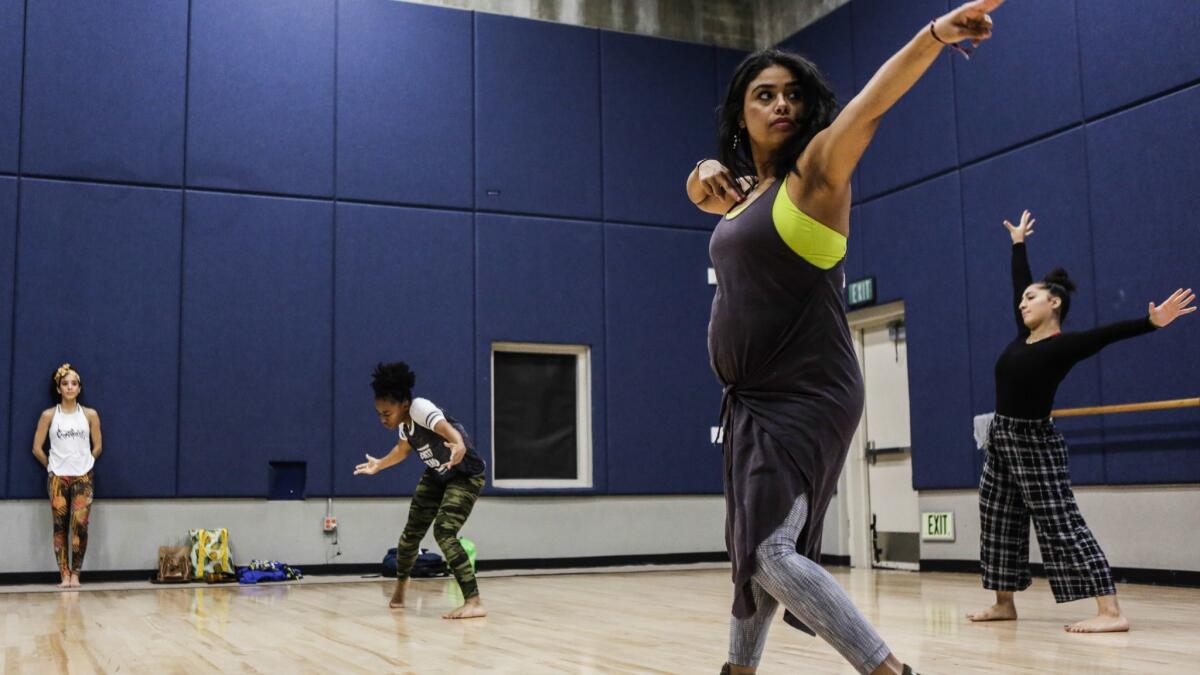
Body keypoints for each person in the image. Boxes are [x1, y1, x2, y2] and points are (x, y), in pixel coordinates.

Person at [689, 2, 1004, 673]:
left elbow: (873, 102)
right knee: (749, 545)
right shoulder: (748, 192)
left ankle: (888, 670)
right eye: (763, 95)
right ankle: (738, 668)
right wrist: (697, 172)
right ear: (740, 113)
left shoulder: (818, 171)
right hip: (751, 399)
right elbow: (703, 194)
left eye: (792, 95)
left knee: (771, 550)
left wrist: (935, 35)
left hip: (807, 391)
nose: (780, 104)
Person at [967, 209, 1195, 633]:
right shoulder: (1022, 338)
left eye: (1031, 299)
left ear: (1054, 303)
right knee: (997, 516)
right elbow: (1020, 281)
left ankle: (1111, 612)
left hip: (1034, 443)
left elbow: (1107, 334)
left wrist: (1151, 322)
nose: (1022, 302)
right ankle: (1004, 603)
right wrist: (1018, 244)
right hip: (1000, 437)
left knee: (1060, 521)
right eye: (1022, 300)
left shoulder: (1062, 346)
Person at [353, 361, 488, 619]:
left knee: (444, 531)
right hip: (438, 474)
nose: (382, 419)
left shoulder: (420, 408)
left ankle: (474, 601)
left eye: (386, 413)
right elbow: (402, 451)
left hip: (465, 476)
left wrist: (459, 445)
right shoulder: (405, 425)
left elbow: (447, 430)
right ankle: (401, 590)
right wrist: (379, 464)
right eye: (379, 414)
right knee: (409, 537)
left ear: (403, 404)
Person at [31, 363, 103, 589]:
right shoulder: (49, 415)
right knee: (60, 525)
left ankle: (76, 574)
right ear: (59, 388)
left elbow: (98, 446)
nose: (70, 387)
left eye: (74, 384)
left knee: (80, 525)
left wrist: (86, 463)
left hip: (83, 477)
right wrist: (52, 467)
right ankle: (64, 573)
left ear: (80, 388)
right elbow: (37, 448)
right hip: (58, 479)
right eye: (65, 384)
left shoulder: (90, 415)